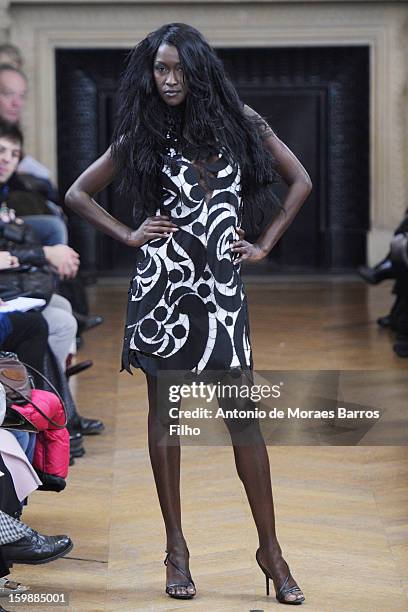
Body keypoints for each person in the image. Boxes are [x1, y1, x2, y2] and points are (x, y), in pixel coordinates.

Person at [65, 23, 312, 604]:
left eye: (178, 69)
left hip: (222, 294)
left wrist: (266, 242)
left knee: (244, 422)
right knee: (165, 421)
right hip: (165, 293)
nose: (168, 80)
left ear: (199, 70)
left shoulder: (242, 122)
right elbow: (77, 193)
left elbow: (299, 179)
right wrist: (128, 233)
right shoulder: (141, 131)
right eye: (159, 69)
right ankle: (176, 551)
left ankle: (270, 553)